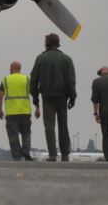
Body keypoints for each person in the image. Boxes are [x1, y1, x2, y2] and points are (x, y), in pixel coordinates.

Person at [29, 32, 77, 161]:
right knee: (63, 124)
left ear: (47, 44)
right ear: (57, 44)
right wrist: (73, 98)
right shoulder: (67, 59)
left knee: (49, 125)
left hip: (47, 96)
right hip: (62, 96)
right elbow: (71, 81)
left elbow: (33, 80)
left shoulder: (40, 58)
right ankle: (65, 154)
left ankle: (52, 154)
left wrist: (35, 99)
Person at [0, 60, 35, 161]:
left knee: (13, 136)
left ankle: (17, 156)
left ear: (11, 69)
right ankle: (26, 151)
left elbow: (0, 96)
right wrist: (38, 108)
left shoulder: (5, 80)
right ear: (20, 69)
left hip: (11, 113)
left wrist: (0, 110)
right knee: (26, 133)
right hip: (25, 112)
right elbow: (34, 94)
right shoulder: (26, 79)